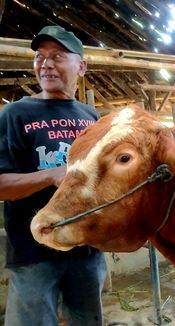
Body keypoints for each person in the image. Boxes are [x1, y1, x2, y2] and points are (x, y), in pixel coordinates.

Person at [0, 26, 106, 326]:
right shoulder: (15, 115)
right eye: (40, 56)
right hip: (34, 253)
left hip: (86, 251)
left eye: (57, 56)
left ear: (81, 66)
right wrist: (51, 176)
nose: (46, 64)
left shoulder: (92, 118)